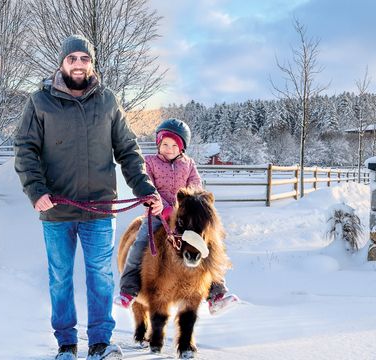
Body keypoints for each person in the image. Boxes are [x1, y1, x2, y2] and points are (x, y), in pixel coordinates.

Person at [14, 34, 163, 360]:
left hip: (99, 209)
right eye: (72, 59)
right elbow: (25, 150)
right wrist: (36, 191)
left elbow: (127, 150)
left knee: (100, 277)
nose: (78, 65)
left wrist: (145, 189)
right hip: (56, 210)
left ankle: (100, 342)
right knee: (60, 278)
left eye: (84, 59)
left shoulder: (107, 101)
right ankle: (66, 344)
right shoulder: (40, 102)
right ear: (62, 63)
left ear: (92, 63)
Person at [115, 118, 239, 315]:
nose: (169, 149)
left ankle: (216, 293)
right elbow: (148, 187)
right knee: (139, 244)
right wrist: (162, 207)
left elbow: (196, 187)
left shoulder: (188, 164)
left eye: (174, 145)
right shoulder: (150, 162)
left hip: (184, 220)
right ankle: (128, 290)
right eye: (164, 144)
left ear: (182, 148)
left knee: (209, 245)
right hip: (157, 215)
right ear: (158, 144)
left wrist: (197, 205)